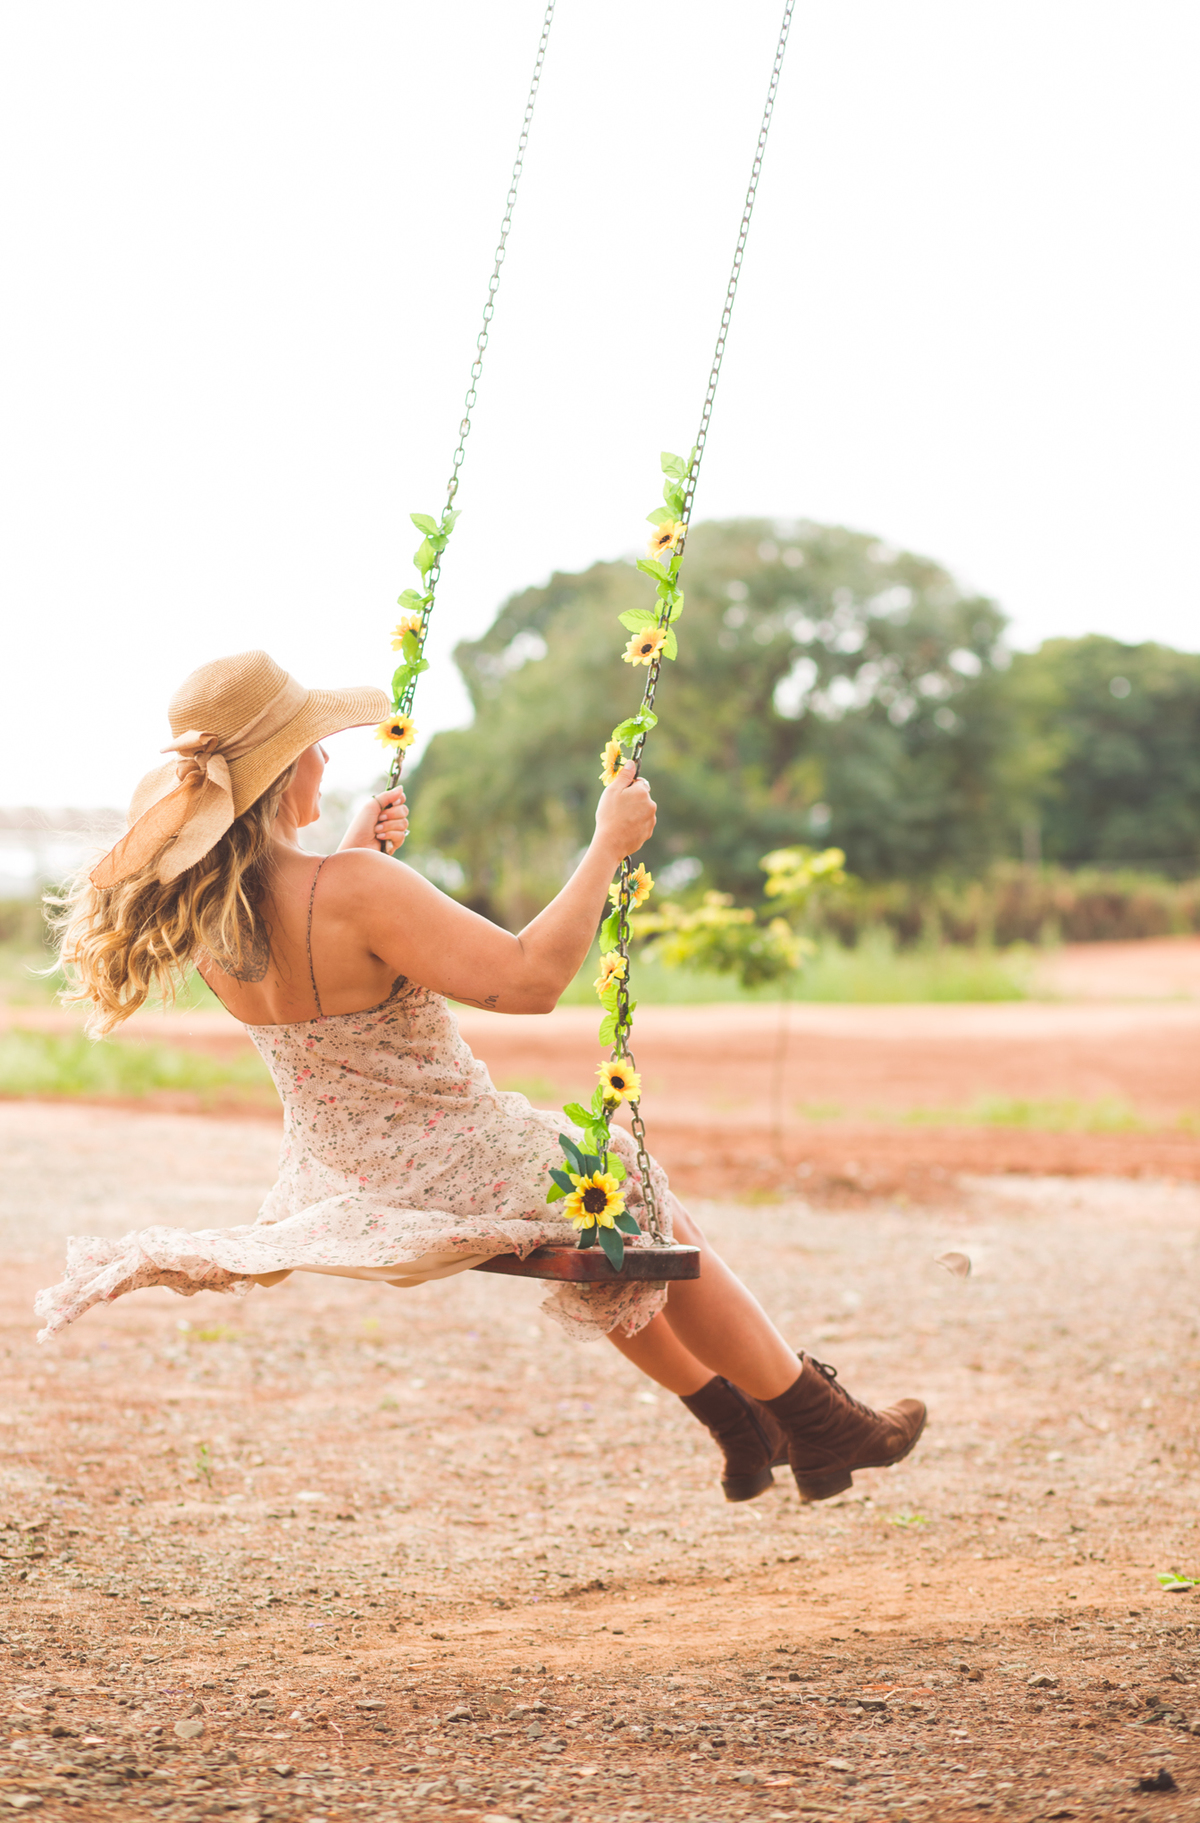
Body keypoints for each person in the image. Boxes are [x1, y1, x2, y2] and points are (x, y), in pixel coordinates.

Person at [38, 650, 926, 1504]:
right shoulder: (354, 889)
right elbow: (530, 976)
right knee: (633, 1192)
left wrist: (354, 853)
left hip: (343, 1175)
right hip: (458, 1160)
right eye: (311, 742)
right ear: (277, 771)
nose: (327, 754)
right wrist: (605, 845)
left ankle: (741, 1427)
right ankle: (819, 1420)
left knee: (613, 1204)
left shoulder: (215, 919)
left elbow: (316, 940)